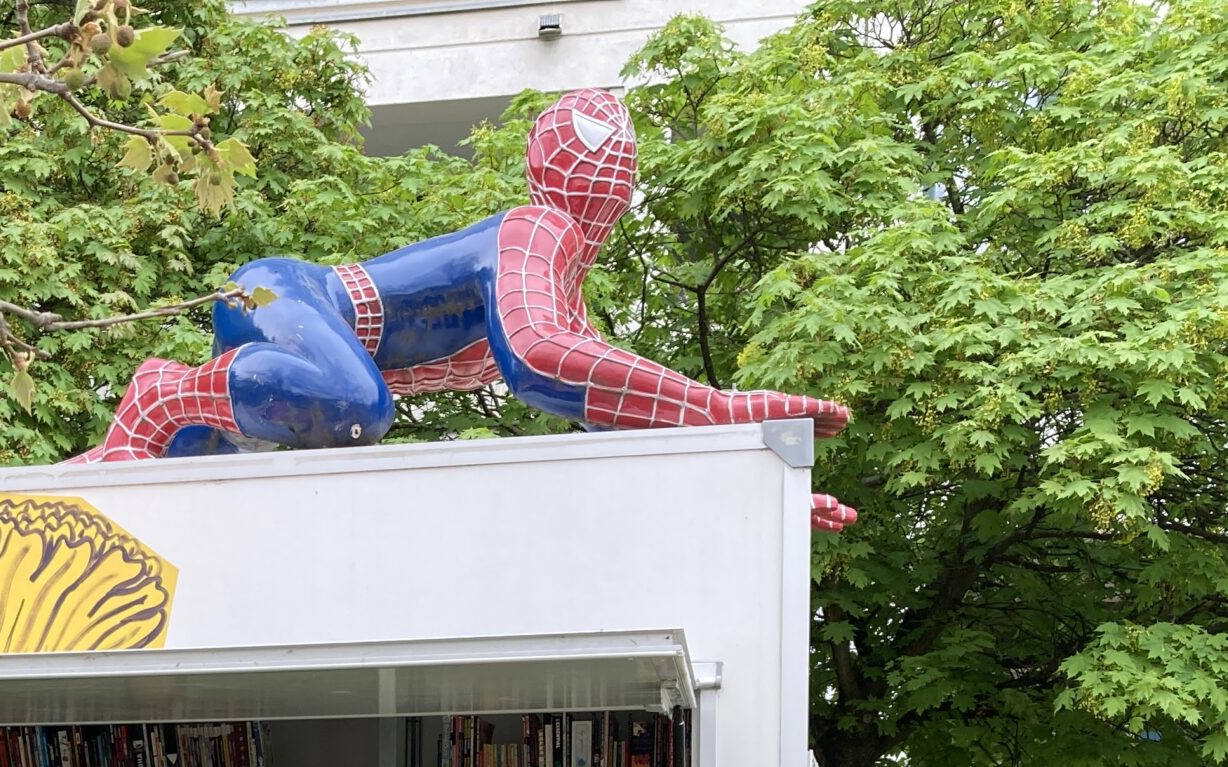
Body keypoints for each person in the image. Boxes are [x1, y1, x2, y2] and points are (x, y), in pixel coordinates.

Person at [74, 90, 856, 533]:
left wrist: (760, 487)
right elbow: (540, 361)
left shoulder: (562, 293)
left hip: (287, 325)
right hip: (283, 296)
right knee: (357, 408)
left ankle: (179, 419)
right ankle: (163, 392)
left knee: (218, 476)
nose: (610, 182)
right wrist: (724, 407)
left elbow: (625, 424)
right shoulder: (535, 232)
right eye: (604, 159)